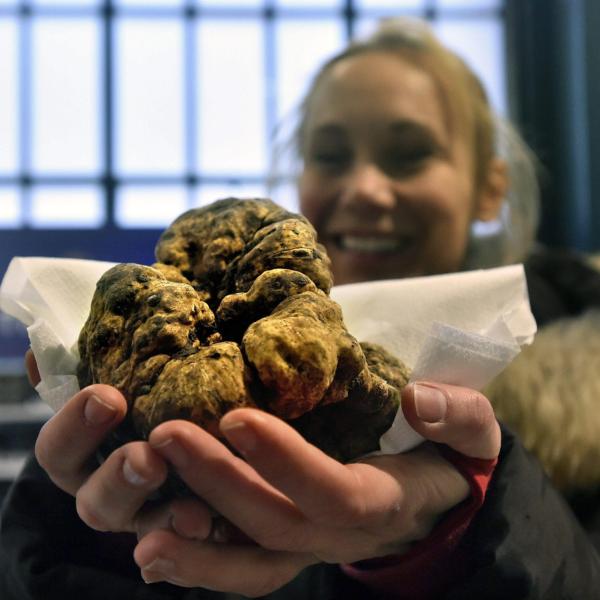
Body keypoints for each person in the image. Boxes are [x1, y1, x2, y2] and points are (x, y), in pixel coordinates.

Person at [2, 17, 600, 600]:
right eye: (333, 156)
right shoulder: (191, 333)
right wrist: (113, 525)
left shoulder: (584, 388)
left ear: (489, 187)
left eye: (409, 155)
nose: (365, 188)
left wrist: (445, 541)